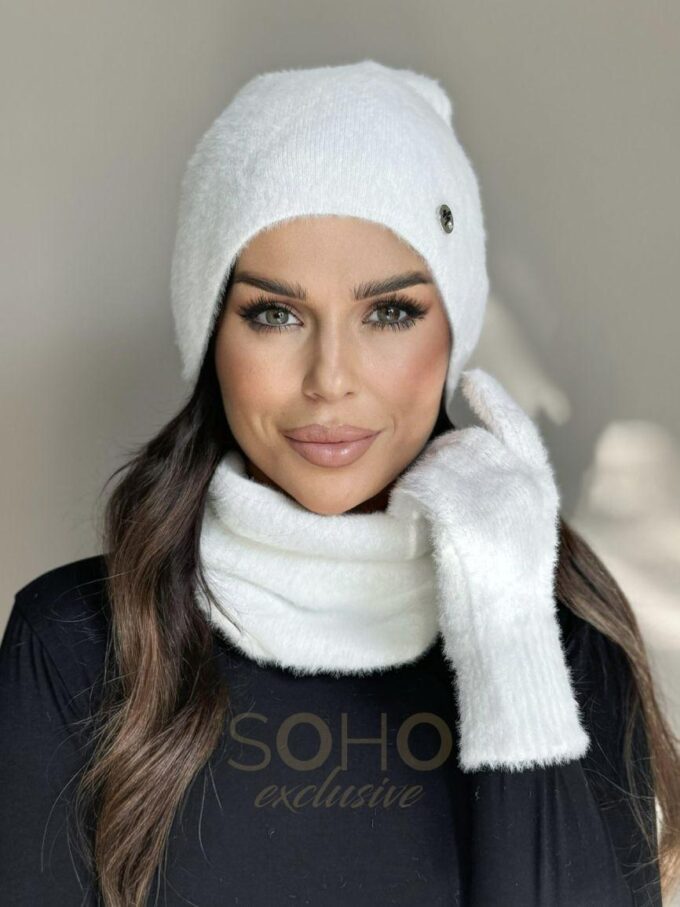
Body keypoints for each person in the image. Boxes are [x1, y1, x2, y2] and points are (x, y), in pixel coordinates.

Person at [1, 59, 678, 907]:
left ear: (452, 331)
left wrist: (506, 629)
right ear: (210, 333)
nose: (330, 378)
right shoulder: (74, 643)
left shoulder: (564, 637)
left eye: (389, 313)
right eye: (275, 313)